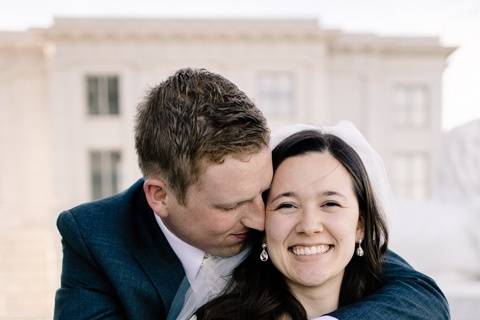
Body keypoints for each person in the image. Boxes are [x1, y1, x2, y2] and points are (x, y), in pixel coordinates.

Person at [54, 68, 449, 320]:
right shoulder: (94, 237)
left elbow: (419, 295)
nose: (260, 219)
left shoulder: (287, 228)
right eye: (230, 205)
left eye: (265, 192)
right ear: (160, 196)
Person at [194, 122, 404, 319]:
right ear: (263, 227)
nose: (309, 226)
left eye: (330, 204)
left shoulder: (402, 306)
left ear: (360, 225)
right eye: (287, 205)